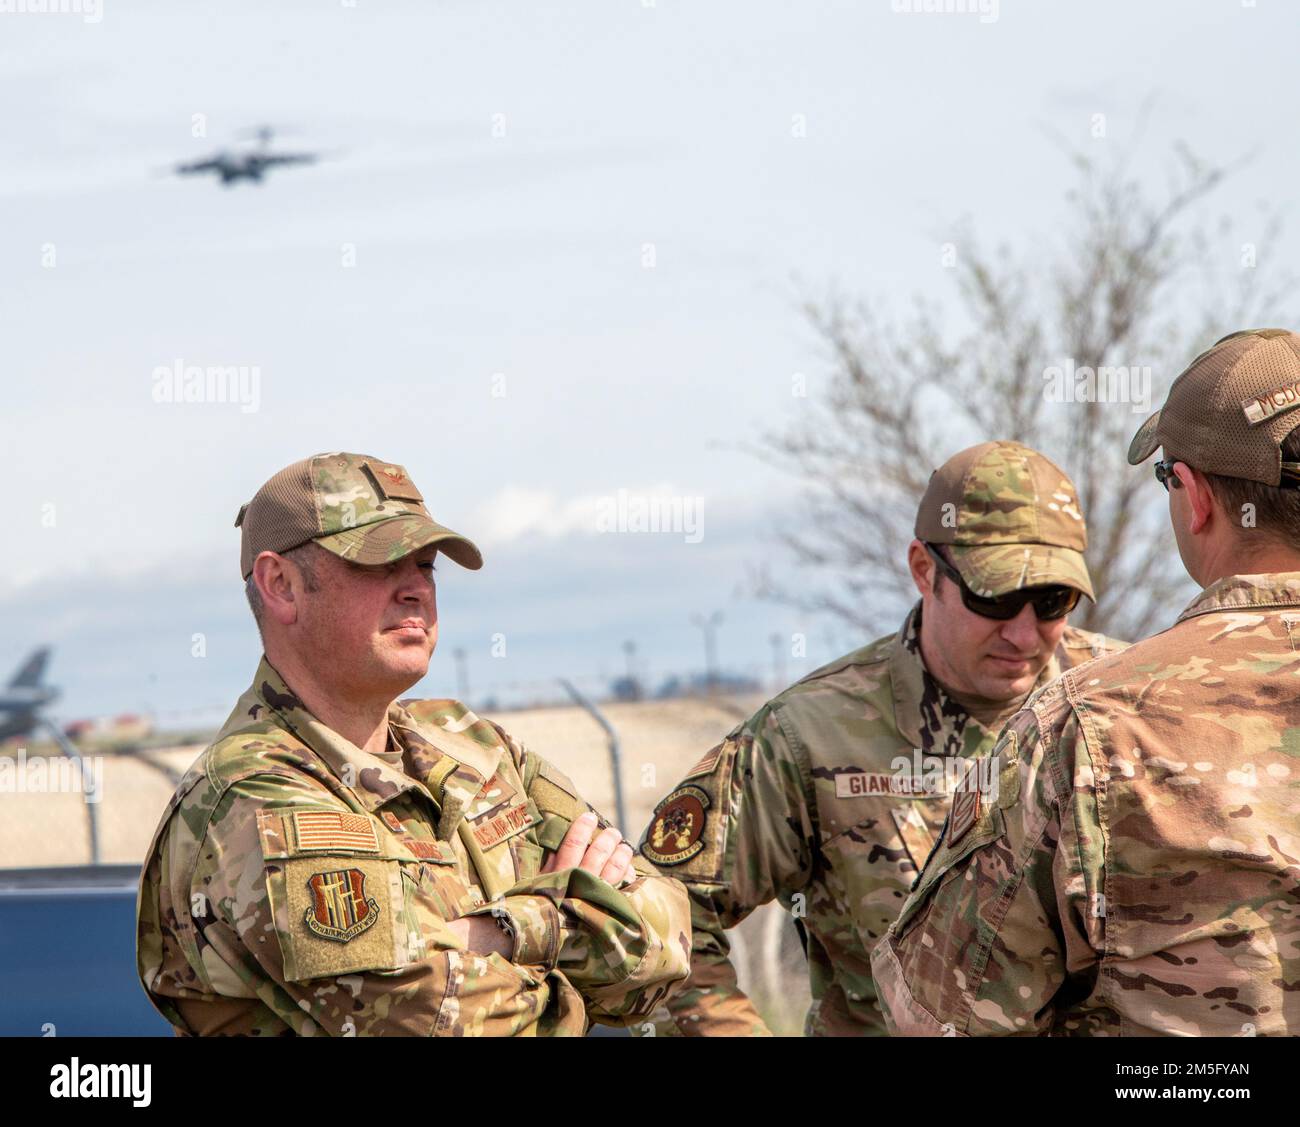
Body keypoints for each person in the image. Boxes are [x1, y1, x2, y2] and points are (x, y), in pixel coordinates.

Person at [136, 452, 690, 1036]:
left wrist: (501, 934)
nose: (415, 589)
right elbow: (447, 1025)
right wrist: (563, 926)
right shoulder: (257, 797)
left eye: (425, 564)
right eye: (378, 564)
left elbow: (666, 945)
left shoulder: (473, 743)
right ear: (282, 585)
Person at [872, 328, 1300, 1037]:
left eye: (1050, 602)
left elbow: (937, 1017)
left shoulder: (1089, 726)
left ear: (1193, 497)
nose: (1024, 631)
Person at [639, 440, 1126, 1035]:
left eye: (1053, 601)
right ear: (925, 570)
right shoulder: (810, 735)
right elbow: (655, 913)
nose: (1024, 634)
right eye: (994, 598)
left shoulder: (1127, 705)